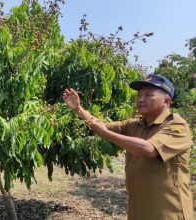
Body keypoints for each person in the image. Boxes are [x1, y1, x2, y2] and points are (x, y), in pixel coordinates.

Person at [62, 74, 193, 220]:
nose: (141, 99)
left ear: (166, 101)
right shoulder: (135, 124)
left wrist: (105, 134)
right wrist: (78, 109)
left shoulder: (177, 125)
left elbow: (149, 149)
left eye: (149, 95)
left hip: (168, 212)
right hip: (138, 211)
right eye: (139, 95)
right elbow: (101, 125)